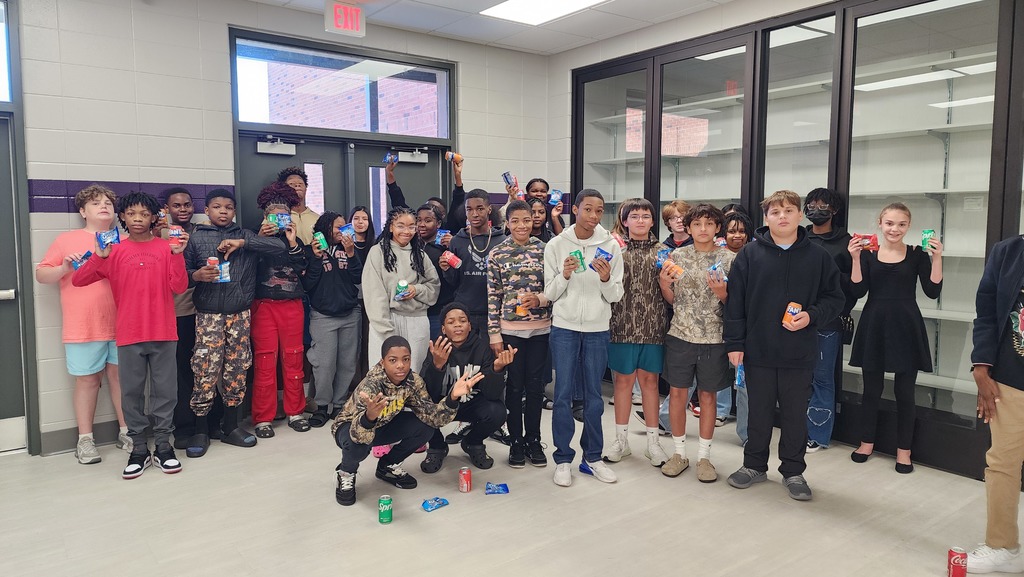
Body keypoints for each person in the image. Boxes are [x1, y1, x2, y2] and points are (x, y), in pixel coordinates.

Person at [724, 190, 843, 501]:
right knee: (758, 413)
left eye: (789, 210)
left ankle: (793, 470)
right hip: (757, 350)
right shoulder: (749, 255)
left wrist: (811, 316)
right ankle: (754, 465)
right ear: (767, 218)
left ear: (799, 215)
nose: (782, 217)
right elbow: (735, 303)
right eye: (775, 212)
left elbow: (835, 299)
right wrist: (735, 344)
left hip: (799, 351)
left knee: (793, 415)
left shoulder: (818, 256)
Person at [72, 191, 189, 478]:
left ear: (154, 218)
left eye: (144, 214)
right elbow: (79, 279)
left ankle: (163, 446)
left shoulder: (166, 248)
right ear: (122, 216)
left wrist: (177, 255)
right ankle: (139, 448)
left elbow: (179, 287)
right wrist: (99, 257)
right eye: (132, 213)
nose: (138, 219)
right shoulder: (113, 250)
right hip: (129, 334)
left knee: (165, 393)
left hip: (164, 333)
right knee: (131, 393)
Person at [183, 189, 287, 457]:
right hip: (207, 315)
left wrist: (243, 243)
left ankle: (231, 426)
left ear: (234, 212)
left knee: (237, 368)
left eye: (229, 207)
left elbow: (279, 247)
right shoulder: (196, 239)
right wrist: (197, 274)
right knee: (205, 370)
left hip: (240, 313)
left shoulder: (245, 236)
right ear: (207, 211)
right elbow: (180, 277)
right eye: (217, 207)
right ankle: (201, 429)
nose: (223, 211)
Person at [35, 184, 129, 464]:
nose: (104, 207)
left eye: (109, 203)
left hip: (124, 322)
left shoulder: (125, 240)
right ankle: (85, 440)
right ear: (82, 211)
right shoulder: (67, 240)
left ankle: (127, 431)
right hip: (84, 324)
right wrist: (64, 267)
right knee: (88, 381)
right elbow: (42, 275)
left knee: (122, 379)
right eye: (96, 203)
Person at [332, 336, 485, 506]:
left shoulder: (413, 381)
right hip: (351, 429)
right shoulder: (371, 385)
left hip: (383, 425)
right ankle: (346, 473)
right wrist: (369, 418)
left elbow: (433, 417)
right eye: (393, 360)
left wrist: (452, 397)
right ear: (383, 362)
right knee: (359, 448)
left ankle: (387, 466)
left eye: (406, 359)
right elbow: (359, 436)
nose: (400, 365)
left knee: (425, 428)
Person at [848, 202, 943, 473]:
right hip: (875, 323)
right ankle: (866, 443)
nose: (895, 229)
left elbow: (933, 291)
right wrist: (855, 258)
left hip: (906, 325)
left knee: (905, 392)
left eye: (901, 224)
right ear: (880, 223)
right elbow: (857, 290)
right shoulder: (868, 254)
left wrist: (937, 257)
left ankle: (904, 451)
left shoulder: (916, 254)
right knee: (871, 390)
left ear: (909, 226)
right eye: (890, 223)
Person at [544, 189, 624, 487]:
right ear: (575, 209)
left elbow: (617, 294)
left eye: (599, 210)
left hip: (597, 328)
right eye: (587, 209)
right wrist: (564, 275)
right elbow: (549, 293)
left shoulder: (611, 247)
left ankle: (592, 457)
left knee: (594, 397)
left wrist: (604, 279)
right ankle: (563, 459)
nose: (593, 216)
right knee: (562, 395)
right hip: (563, 327)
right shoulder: (556, 245)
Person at [657, 203, 733, 482]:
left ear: (717, 228)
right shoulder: (676, 256)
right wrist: (664, 284)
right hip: (680, 335)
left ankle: (704, 457)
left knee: (708, 397)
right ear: (687, 228)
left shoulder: (729, 259)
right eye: (697, 224)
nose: (703, 229)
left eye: (709, 224)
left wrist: (723, 292)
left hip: (714, 337)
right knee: (677, 394)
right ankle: (678, 454)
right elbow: (672, 300)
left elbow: (734, 305)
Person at [965, 233, 1024, 574]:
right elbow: (986, 312)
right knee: (1003, 464)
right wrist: (981, 366)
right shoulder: (1008, 252)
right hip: (1010, 379)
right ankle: (1002, 545)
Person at [600, 198, 669, 469]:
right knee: (622, 385)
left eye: (645, 216)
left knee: (650, 384)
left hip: (653, 328)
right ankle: (621, 441)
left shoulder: (664, 253)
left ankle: (653, 443)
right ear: (624, 221)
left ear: (652, 221)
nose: (640, 220)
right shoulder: (613, 251)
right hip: (620, 328)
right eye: (634, 216)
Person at [487, 200, 552, 467]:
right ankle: (515, 441)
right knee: (514, 387)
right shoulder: (497, 253)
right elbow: (493, 295)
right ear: (507, 223)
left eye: (527, 220)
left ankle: (533, 440)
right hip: (510, 331)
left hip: (540, 329)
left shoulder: (546, 250)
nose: (522, 225)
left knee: (535, 386)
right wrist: (494, 334)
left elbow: (554, 288)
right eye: (515, 221)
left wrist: (543, 300)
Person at [420, 303, 514, 472]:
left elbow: (492, 394)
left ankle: (473, 442)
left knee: (498, 411)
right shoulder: (437, 349)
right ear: (443, 328)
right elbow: (426, 393)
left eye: (462, 320)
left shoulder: (482, 347)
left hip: (472, 405)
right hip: (445, 404)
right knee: (420, 407)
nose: (457, 325)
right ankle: (436, 447)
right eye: (451, 322)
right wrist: (437, 366)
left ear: (469, 326)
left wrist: (497, 369)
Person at [250, 182, 310, 438]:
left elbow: (304, 268)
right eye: (273, 214)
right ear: (265, 216)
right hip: (263, 306)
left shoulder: (295, 241)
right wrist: (260, 238)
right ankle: (263, 417)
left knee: (294, 358)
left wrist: (293, 241)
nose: (278, 219)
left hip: (293, 305)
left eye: (283, 215)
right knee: (264, 359)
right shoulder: (254, 238)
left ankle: (296, 411)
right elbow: (246, 265)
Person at [803, 188, 854, 452]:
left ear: (834, 210)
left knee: (822, 379)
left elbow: (854, 288)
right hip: (796, 318)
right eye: (811, 204)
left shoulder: (846, 243)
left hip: (828, 322)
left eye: (822, 205)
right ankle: (797, 428)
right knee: (799, 378)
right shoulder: (800, 238)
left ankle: (818, 434)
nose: (815, 209)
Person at [303, 211, 363, 428]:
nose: (342, 231)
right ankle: (321, 406)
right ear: (326, 228)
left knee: (347, 363)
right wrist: (317, 258)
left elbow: (357, 277)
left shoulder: (350, 249)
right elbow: (308, 284)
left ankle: (339, 405)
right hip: (323, 315)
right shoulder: (313, 251)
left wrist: (351, 253)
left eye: (344, 227)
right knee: (324, 364)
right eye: (338, 227)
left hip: (350, 313)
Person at [362, 206, 440, 371]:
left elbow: (434, 287)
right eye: (400, 226)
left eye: (411, 226)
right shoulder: (377, 253)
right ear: (391, 227)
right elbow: (374, 294)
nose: (407, 231)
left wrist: (416, 289)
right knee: (384, 376)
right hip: (386, 322)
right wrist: (388, 332)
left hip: (417, 322)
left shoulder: (420, 255)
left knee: (414, 373)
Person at [441, 189, 507, 331]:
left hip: (494, 312)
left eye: (480, 209)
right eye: (469, 209)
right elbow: (454, 281)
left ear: (489, 209)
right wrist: (446, 270)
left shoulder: (502, 241)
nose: (474, 214)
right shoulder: (457, 241)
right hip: (465, 311)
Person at [713, 209, 754, 432]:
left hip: (744, 325)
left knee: (743, 377)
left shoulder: (754, 255)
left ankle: (746, 430)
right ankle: (721, 411)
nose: (737, 236)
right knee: (719, 371)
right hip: (717, 322)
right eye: (731, 231)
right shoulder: (716, 257)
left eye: (741, 231)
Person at [415, 203, 456, 339]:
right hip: (415, 311)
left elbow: (456, 276)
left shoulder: (447, 247)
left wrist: (453, 246)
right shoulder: (409, 245)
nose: (421, 224)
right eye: (418, 220)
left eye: (427, 221)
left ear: (438, 223)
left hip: (438, 311)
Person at [278, 166, 319, 245]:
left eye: (300, 183)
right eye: (292, 184)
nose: (297, 186)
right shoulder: (278, 216)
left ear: (306, 188)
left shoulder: (317, 218)